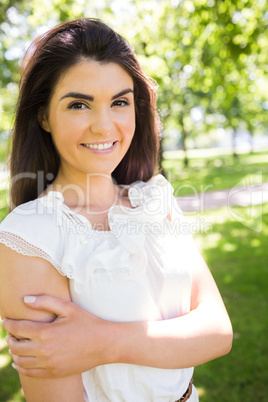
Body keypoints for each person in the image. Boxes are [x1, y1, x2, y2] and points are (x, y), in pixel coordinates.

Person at [0, 18, 232, 402]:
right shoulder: (28, 237)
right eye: (79, 104)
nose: (104, 126)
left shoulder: (155, 199)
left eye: (119, 102)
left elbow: (218, 332)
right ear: (43, 116)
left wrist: (104, 341)